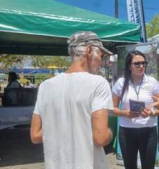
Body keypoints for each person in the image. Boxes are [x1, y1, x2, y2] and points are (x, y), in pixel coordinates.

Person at [30, 31, 114, 169]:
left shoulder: (46, 86)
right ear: (88, 50)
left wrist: (63, 127)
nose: (101, 62)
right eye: (101, 55)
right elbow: (101, 137)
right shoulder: (98, 83)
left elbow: (35, 135)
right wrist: (109, 133)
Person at [112, 50, 159, 169]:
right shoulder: (121, 83)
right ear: (129, 66)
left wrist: (151, 112)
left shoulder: (152, 82)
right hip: (126, 132)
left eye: (143, 63)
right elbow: (112, 108)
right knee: (130, 166)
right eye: (137, 64)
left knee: (148, 166)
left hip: (148, 131)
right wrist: (125, 113)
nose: (141, 66)